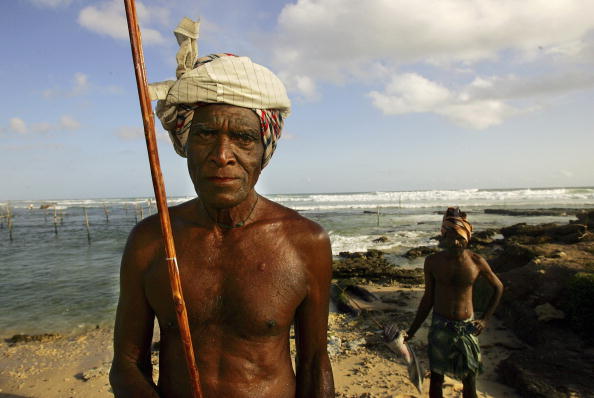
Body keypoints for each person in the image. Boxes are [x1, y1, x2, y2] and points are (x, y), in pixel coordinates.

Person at [110, 18, 335, 398]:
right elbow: (127, 365)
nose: (221, 156)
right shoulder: (151, 240)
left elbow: (314, 364)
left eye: (243, 138)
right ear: (185, 143)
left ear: (264, 152)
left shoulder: (305, 242)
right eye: (206, 135)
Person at [385, 207, 503, 398]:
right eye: (450, 236)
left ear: (467, 237)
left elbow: (498, 287)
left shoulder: (476, 262)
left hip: (467, 328)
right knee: (437, 378)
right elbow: (428, 298)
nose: (455, 242)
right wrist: (412, 331)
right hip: (440, 326)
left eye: (460, 237)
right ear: (443, 236)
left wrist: (485, 319)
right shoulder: (432, 262)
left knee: (469, 378)